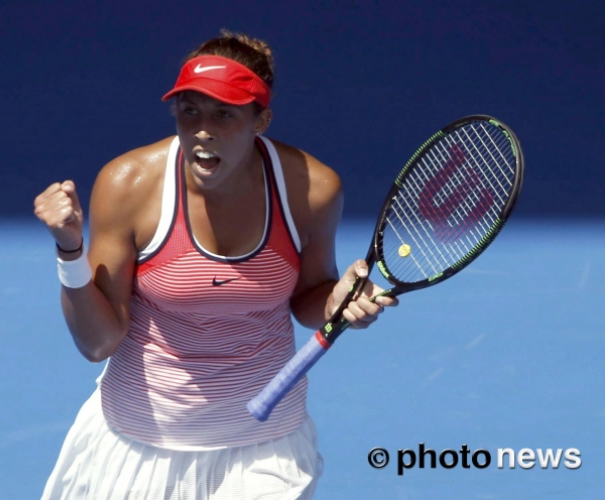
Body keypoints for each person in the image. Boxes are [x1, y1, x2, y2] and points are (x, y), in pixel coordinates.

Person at [34, 30, 398, 500]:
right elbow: (98, 341)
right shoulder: (128, 185)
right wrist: (69, 251)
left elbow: (308, 300)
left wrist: (337, 300)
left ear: (260, 120)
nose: (202, 129)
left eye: (224, 114)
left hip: (265, 451)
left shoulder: (312, 189)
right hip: (142, 445)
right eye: (190, 110)